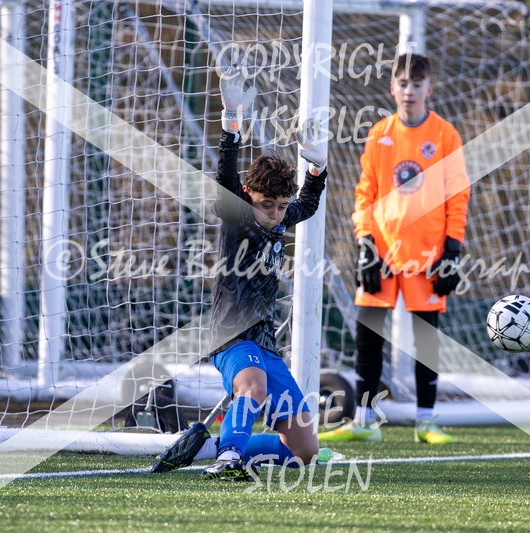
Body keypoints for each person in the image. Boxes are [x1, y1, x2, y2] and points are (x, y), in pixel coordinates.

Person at [151, 65, 335, 480]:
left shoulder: (280, 219)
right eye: (267, 205)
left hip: (265, 342)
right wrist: (231, 122)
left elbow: (307, 202)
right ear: (248, 195)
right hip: (231, 335)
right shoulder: (237, 216)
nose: (275, 215)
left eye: (281, 207)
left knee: (304, 450)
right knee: (252, 388)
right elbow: (225, 176)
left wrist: (318, 168)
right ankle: (228, 457)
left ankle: (210, 446)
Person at [318, 52, 470, 445]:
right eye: (403, 83)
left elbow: (457, 196)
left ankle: (426, 422)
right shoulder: (379, 134)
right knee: (368, 336)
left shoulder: (445, 136)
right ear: (392, 88)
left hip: (427, 256)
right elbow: (365, 192)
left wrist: (452, 248)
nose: (409, 91)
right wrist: (365, 242)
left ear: (429, 88)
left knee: (426, 340)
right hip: (382, 253)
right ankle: (365, 421)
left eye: (417, 84)